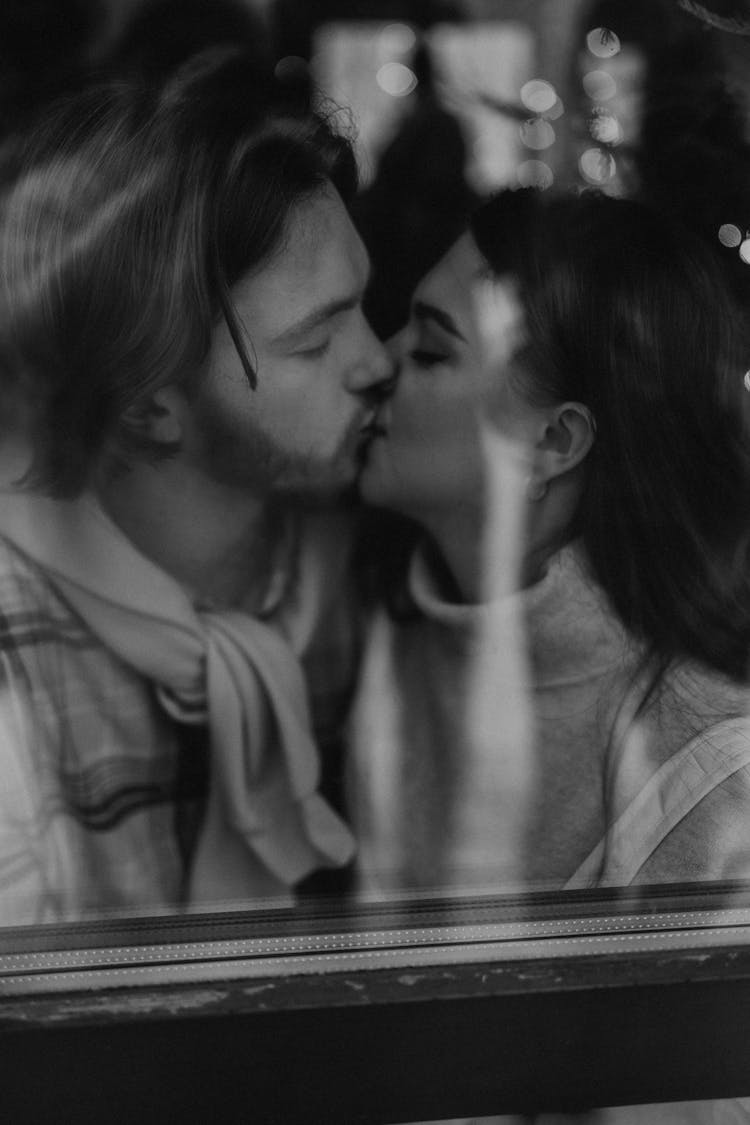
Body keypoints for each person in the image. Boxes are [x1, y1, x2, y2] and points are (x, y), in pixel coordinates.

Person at [0, 48, 392, 925]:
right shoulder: (21, 667)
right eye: (313, 341)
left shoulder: (364, 575)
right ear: (147, 405)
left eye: (366, 305)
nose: (377, 361)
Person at [349, 186, 750, 897]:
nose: (380, 362)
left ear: (555, 440)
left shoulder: (710, 766)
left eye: (432, 350)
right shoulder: (387, 619)